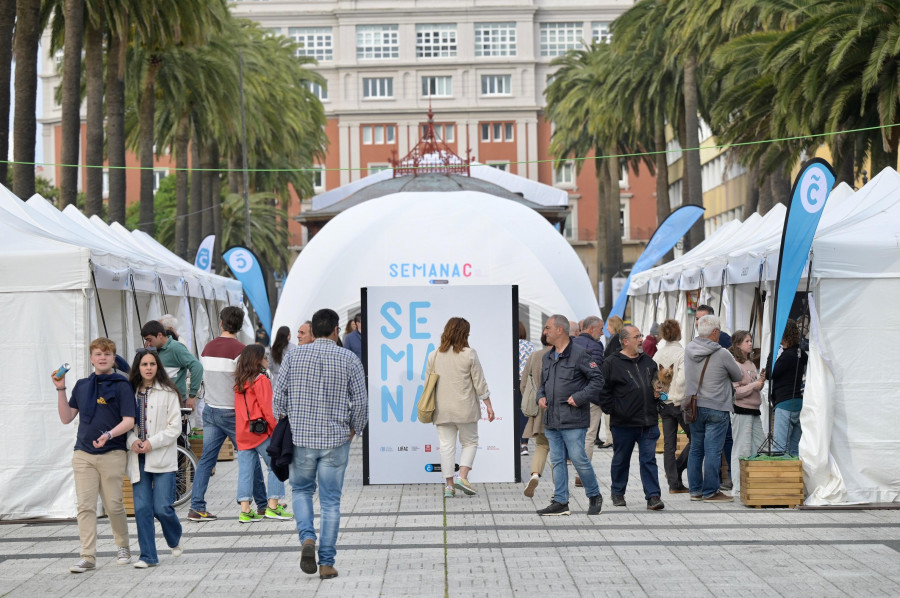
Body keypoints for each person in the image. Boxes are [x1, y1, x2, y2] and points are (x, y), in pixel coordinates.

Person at [273, 308, 368, 580]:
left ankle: (307, 538)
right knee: (331, 502)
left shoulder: (293, 355)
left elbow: (278, 397)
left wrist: (285, 417)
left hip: (301, 439)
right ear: (337, 330)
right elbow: (361, 402)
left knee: (301, 491)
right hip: (335, 440)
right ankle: (326, 562)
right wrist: (354, 429)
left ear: (312, 331)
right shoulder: (349, 358)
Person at [52, 338, 135, 573]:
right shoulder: (81, 386)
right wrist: (60, 387)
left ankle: (123, 546)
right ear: (91, 358)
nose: (102, 358)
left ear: (113, 358)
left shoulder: (122, 385)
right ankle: (87, 556)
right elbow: (66, 417)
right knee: (85, 506)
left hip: (112, 452)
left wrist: (109, 435)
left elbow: (129, 421)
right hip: (83, 454)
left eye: (107, 354)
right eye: (98, 354)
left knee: (114, 505)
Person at [188, 306, 266, 522]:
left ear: (221, 323)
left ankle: (196, 507)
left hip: (211, 410)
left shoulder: (206, 348)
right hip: (234, 413)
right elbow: (248, 383)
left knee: (206, 460)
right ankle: (262, 504)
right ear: (240, 326)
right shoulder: (242, 351)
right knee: (250, 457)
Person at [535, 315, 604, 517]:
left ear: (560, 330)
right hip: (552, 419)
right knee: (556, 461)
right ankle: (561, 501)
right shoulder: (547, 356)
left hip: (573, 419)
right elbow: (542, 384)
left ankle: (594, 495)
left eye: (548, 328)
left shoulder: (580, 354)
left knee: (578, 458)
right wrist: (541, 397)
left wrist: (580, 397)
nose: (544, 332)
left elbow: (597, 379)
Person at [126, 347, 184, 568]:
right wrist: (132, 441)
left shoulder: (168, 392)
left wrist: (152, 442)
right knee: (142, 508)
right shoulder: (129, 392)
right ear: (137, 368)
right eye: (144, 364)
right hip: (137, 457)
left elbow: (174, 427)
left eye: (152, 364)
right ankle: (148, 556)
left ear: (157, 366)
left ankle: (174, 535)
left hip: (161, 456)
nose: (148, 368)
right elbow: (124, 424)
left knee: (162, 507)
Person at [426, 317, 496, 498]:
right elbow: (480, 383)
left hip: (442, 410)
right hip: (466, 409)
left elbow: (428, 384)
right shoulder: (469, 353)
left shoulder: (433, 355)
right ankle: (462, 477)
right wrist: (488, 405)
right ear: (464, 333)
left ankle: (449, 487)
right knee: (470, 442)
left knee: (446, 447)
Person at [598, 325, 665, 510]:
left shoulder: (649, 362)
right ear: (625, 341)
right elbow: (603, 392)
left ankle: (653, 496)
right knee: (621, 459)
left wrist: (660, 395)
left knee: (649, 459)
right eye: (637, 337)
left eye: (641, 336)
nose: (641, 339)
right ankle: (618, 492)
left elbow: (657, 386)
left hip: (648, 421)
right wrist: (615, 410)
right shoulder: (611, 363)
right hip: (623, 423)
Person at [684, 314, 743, 502]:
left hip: (694, 406)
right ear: (715, 332)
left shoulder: (689, 349)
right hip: (717, 406)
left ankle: (695, 491)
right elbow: (738, 376)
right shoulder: (723, 353)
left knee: (695, 449)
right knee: (713, 451)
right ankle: (711, 491)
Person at [234, 345, 292, 522]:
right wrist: (276, 431)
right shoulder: (261, 380)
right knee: (275, 465)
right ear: (257, 360)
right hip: (260, 432)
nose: (267, 360)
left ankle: (245, 510)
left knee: (245, 471)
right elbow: (268, 410)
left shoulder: (239, 381)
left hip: (243, 432)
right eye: (264, 357)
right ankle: (273, 506)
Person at [653, 319, 690, 493]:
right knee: (697, 439)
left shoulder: (657, 354)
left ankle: (673, 482)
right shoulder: (682, 353)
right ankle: (676, 470)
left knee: (669, 444)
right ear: (678, 332)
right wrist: (679, 398)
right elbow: (682, 379)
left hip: (663, 402)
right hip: (679, 402)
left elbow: (654, 378)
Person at [729, 330, 765, 495]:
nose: (751, 343)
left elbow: (753, 386)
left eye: (751, 340)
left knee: (759, 445)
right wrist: (754, 386)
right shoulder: (735, 365)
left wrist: (760, 382)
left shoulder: (751, 364)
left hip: (754, 409)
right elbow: (736, 392)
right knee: (741, 448)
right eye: (747, 341)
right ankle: (737, 486)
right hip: (741, 410)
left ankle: (755, 482)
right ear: (738, 344)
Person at [571, 315, 604, 487]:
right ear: (591, 329)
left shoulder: (571, 344)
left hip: (571, 397)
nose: (603, 332)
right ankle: (581, 475)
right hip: (590, 398)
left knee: (575, 436)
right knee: (589, 436)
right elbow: (596, 374)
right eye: (601, 329)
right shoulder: (595, 346)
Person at [767, 319, 808, 457]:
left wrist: (772, 353)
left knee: (779, 447)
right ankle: (795, 477)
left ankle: (781, 478)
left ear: (783, 335)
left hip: (784, 402)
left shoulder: (786, 356)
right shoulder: (801, 353)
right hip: (799, 402)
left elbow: (769, 373)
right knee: (795, 449)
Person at [141, 320, 203, 408]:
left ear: (160, 335)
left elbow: (197, 366)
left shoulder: (176, 348)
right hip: (158, 401)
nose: (148, 343)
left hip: (174, 403)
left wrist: (192, 395)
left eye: (149, 340)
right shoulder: (153, 350)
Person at [522, 334, 551, 497]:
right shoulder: (561, 354)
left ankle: (534, 474)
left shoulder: (535, 355)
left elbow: (524, 383)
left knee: (541, 444)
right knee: (558, 449)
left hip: (539, 407)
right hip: (559, 408)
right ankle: (557, 488)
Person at [517, 320, 535, 456]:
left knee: (513, 413)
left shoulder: (507, 345)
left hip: (511, 382)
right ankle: (524, 444)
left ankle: (512, 441)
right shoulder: (530, 346)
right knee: (524, 413)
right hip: (525, 383)